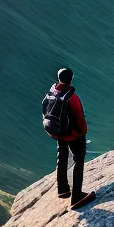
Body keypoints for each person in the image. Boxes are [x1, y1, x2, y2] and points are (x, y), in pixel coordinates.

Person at [42, 68, 95, 210]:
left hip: (58, 131)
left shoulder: (53, 92)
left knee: (62, 157)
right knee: (78, 159)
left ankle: (63, 190)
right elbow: (79, 117)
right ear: (71, 78)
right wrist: (82, 133)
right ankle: (77, 196)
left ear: (59, 78)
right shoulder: (71, 97)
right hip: (71, 133)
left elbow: (44, 109)